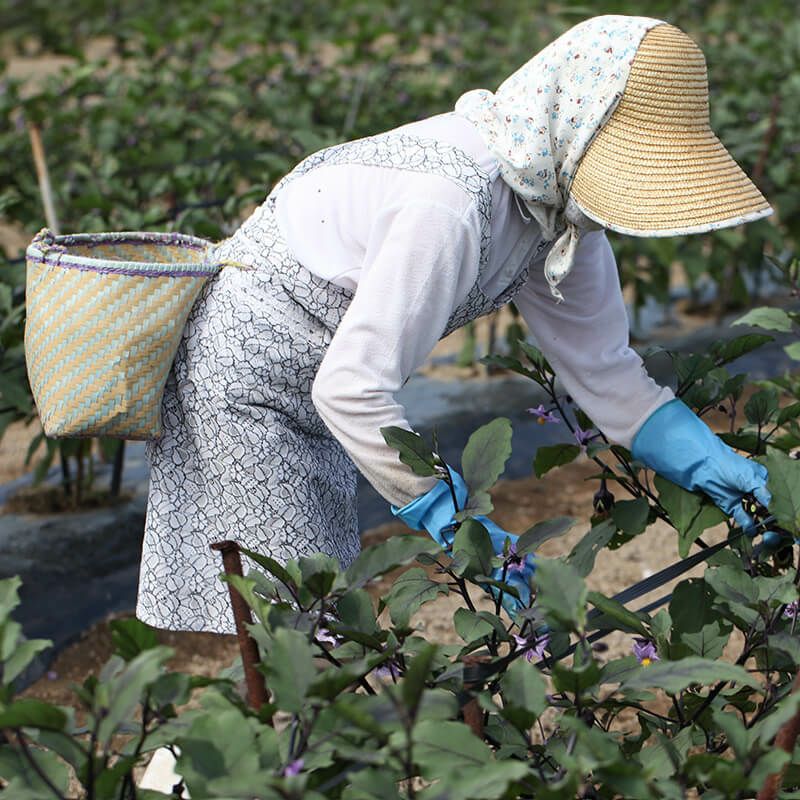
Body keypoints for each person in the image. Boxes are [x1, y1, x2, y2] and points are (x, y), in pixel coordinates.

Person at [136, 14, 773, 634]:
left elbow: (606, 371)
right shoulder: (451, 205)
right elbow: (350, 390)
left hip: (325, 375)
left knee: (318, 604)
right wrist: (462, 527)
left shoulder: (556, 207)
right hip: (246, 375)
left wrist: (713, 465)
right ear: (574, 129)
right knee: (296, 620)